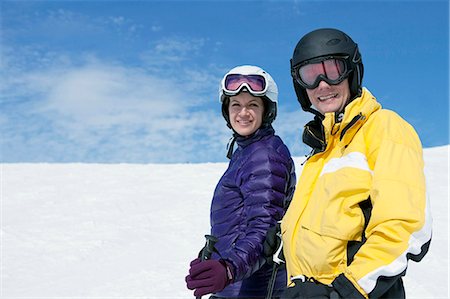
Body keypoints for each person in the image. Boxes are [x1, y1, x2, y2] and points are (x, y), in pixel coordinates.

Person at [264, 28, 432, 298]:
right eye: (310, 75)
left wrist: (345, 292)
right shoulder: (322, 150)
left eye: (332, 70)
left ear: (351, 72)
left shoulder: (384, 128)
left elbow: (405, 228)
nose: (322, 84)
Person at [185, 65, 297, 298]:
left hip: (254, 288)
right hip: (239, 285)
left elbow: (264, 227)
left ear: (267, 110)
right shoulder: (247, 152)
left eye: (252, 105)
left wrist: (227, 268)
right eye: (236, 105)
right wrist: (216, 256)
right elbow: (238, 223)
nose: (243, 113)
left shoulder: (264, 155)